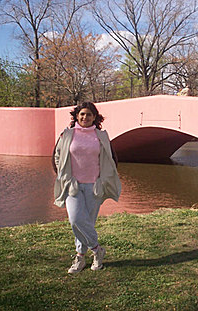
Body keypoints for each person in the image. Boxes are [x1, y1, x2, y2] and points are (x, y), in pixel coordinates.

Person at [53, 102, 121, 274]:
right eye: (82, 114)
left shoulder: (101, 136)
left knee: (86, 223)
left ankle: (80, 258)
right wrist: (62, 175)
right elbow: (57, 156)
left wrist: (104, 179)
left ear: (94, 117)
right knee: (76, 220)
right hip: (72, 185)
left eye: (89, 114)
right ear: (76, 116)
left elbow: (111, 158)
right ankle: (97, 250)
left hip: (94, 186)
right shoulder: (67, 134)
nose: (85, 117)